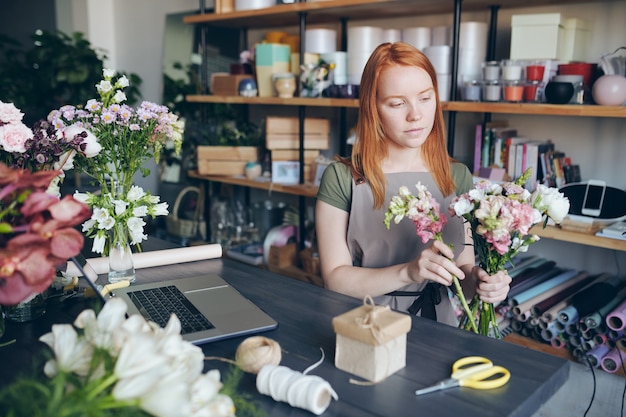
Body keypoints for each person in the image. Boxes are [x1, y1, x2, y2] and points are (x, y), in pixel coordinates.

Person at [315, 42, 511, 326]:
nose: (415, 115)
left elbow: (463, 276)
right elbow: (335, 279)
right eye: (397, 103)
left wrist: (482, 283)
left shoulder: (457, 176)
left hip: (438, 328)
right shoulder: (343, 177)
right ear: (374, 108)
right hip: (366, 326)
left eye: (425, 98)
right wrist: (409, 272)